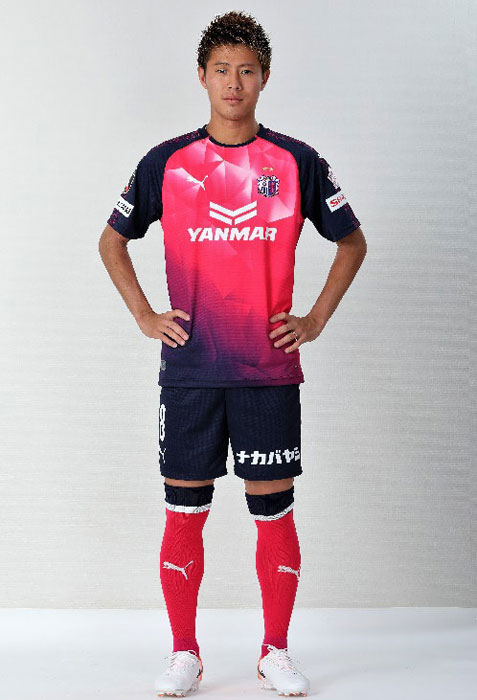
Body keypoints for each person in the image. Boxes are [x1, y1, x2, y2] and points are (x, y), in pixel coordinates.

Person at [99, 10, 366, 697]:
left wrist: (314, 319)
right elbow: (111, 240)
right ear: (201, 76)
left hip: (267, 372)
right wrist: (144, 315)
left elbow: (351, 241)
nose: (233, 83)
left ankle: (274, 651)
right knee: (183, 512)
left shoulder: (296, 162)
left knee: (273, 510)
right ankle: (184, 653)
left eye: (246, 70)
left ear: (264, 78)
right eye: (221, 69)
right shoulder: (166, 163)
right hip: (189, 372)